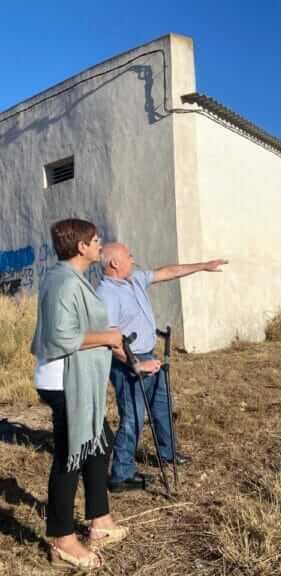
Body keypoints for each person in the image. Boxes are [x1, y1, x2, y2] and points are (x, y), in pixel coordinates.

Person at [31, 219, 129, 570]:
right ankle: (62, 540)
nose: (101, 244)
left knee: (99, 442)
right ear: (81, 247)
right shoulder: (62, 282)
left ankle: (100, 522)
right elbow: (62, 337)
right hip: (63, 381)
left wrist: (124, 352)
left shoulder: (72, 279)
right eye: (95, 240)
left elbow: (86, 329)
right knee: (70, 457)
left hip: (77, 379)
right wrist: (107, 338)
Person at [96, 243, 227, 492]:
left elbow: (167, 272)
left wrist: (202, 266)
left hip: (149, 356)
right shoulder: (106, 294)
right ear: (114, 263)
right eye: (129, 255)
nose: (133, 259)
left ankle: (167, 453)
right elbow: (108, 339)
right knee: (133, 417)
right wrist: (136, 364)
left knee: (163, 406)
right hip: (129, 362)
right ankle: (121, 475)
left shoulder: (133, 280)